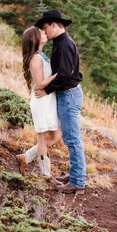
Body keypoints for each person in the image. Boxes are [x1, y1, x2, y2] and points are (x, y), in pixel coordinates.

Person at [35, 10, 87, 193]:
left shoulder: (64, 45)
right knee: (71, 138)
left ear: (54, 25)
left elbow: (64, 74)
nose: (45, 31)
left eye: (45, 27)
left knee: (73, 140)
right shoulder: (61, 42)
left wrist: (46, 89)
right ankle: (74, 175)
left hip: (69, 95)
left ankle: (78, 182)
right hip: (69, 94)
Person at [14, 26, 62, 183]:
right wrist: (57, 76)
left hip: (47, 100)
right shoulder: (35, 58)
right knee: (42, 140)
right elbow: (40, 84)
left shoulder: (41, 55)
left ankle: (25, 158)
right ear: (34, 39)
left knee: (56, 136)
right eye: (40, 32)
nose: (44, 33)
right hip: (41, 102)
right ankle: (46, 175)